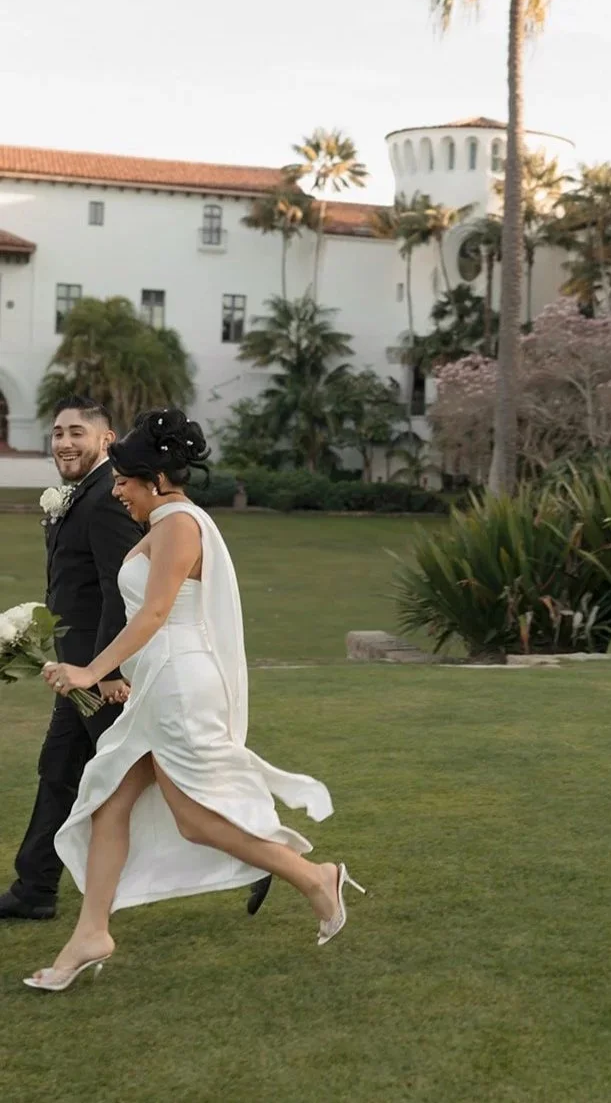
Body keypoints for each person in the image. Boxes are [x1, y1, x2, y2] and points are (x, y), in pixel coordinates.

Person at [24, 408, 360, 992]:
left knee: (196, 820)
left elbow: (155, 614)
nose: (118, 491)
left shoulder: (180, 526)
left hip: (180, 685)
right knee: (107, 801)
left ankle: (315, 877)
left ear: (154, 478)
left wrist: (91, 672)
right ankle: (91, 933)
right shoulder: (164, 525)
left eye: (124, 481)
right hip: (158, 683)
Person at [0, 398, 141, 922]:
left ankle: (261, 852)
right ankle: (35, 888)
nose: (63, 442)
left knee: (158, 778)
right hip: (79, 672)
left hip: (102, 676)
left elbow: (119, 591)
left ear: (105, 439)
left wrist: (109, 672)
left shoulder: (108, 496)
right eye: (57, 433)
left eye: (76, 432)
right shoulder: (78, 496)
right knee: (58, 771)